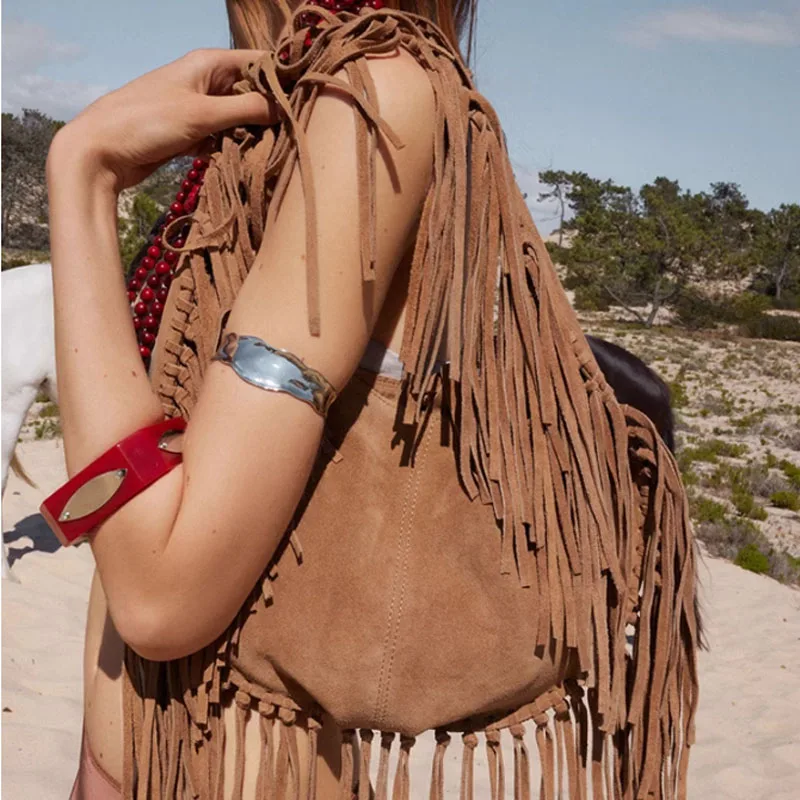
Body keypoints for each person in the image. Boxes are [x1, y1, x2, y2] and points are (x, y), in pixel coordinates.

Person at [47, 2, 698, 798]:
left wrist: (83, 172)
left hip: (222, 766)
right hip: (151, 758)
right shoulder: (302, 103)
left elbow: (160, 597)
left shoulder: (373, 97)